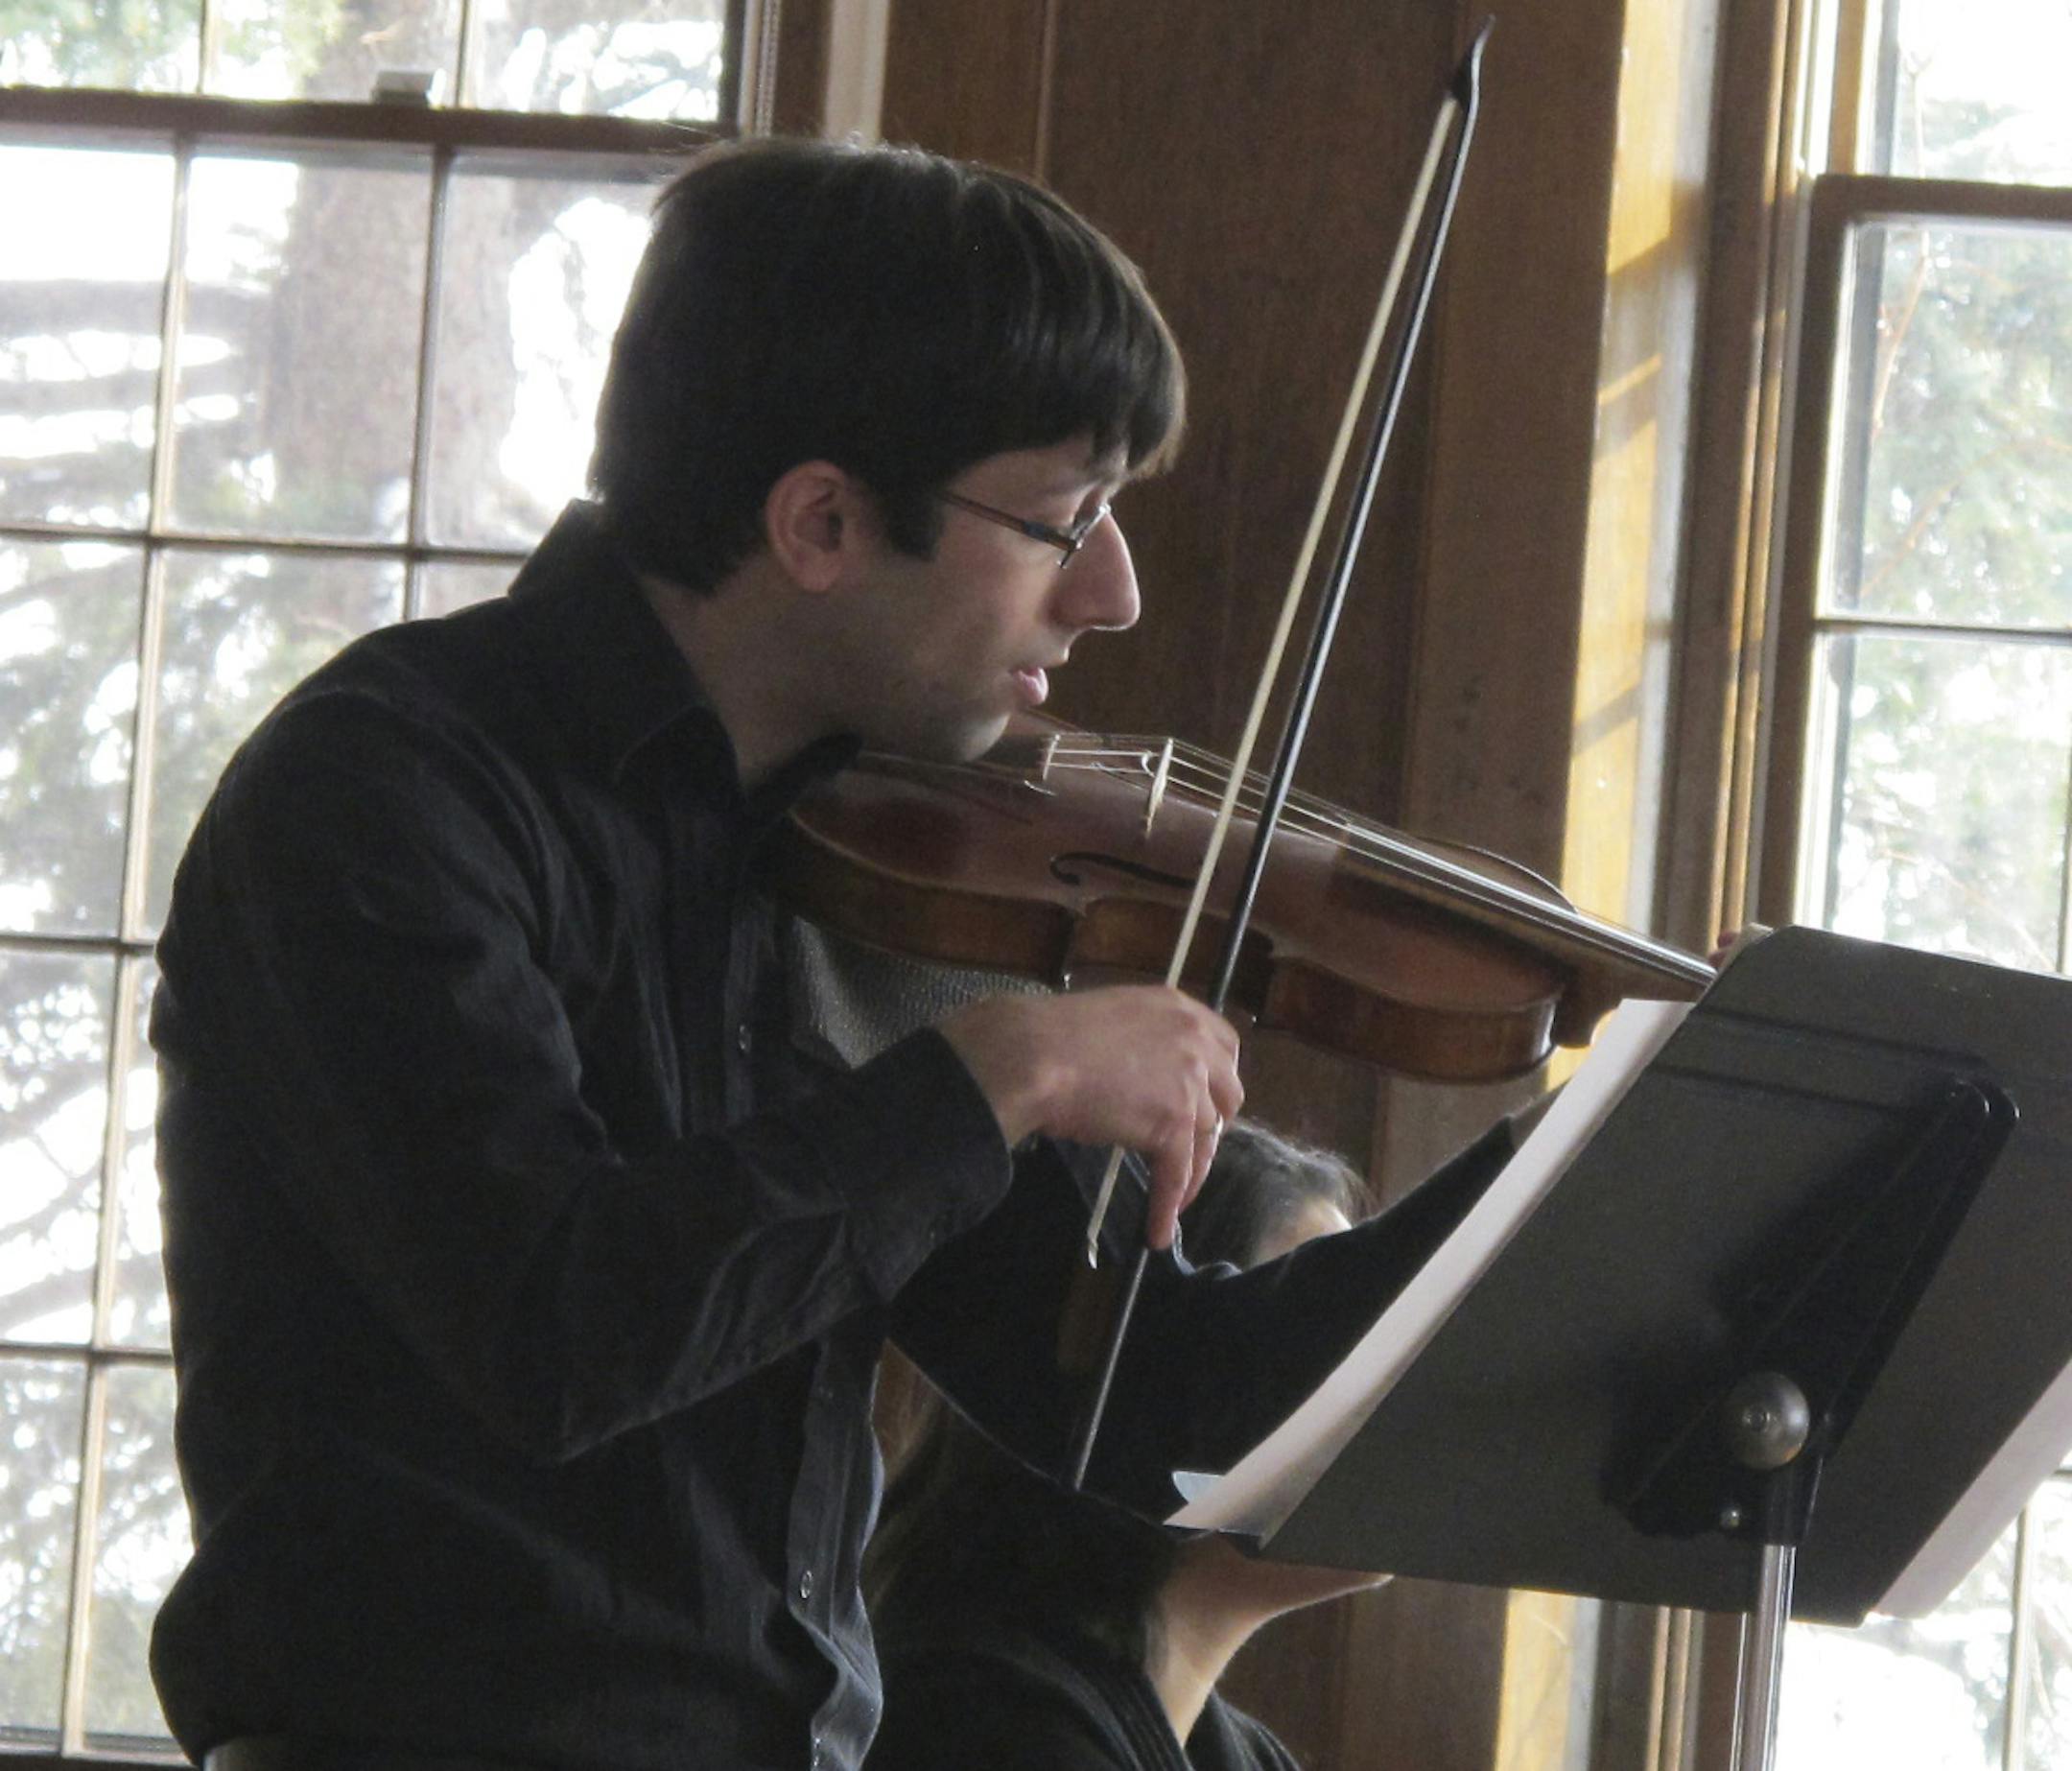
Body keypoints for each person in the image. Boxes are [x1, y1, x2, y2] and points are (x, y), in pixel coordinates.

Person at [148, 135, 1519, 1771]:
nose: (1115, 592)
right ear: (820, 522)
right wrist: (999, 1073)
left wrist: (1559, 1171)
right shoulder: (385, 794)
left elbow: (1150, 1402)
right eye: (1064, 517)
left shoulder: (872, 874)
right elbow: (555, 1325)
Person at [864, 1121, 1387, 1771]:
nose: (1382, 1400)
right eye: (1330, 1352)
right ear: (1156, 1374)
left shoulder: (1240, 1756)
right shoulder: (987, 1729)